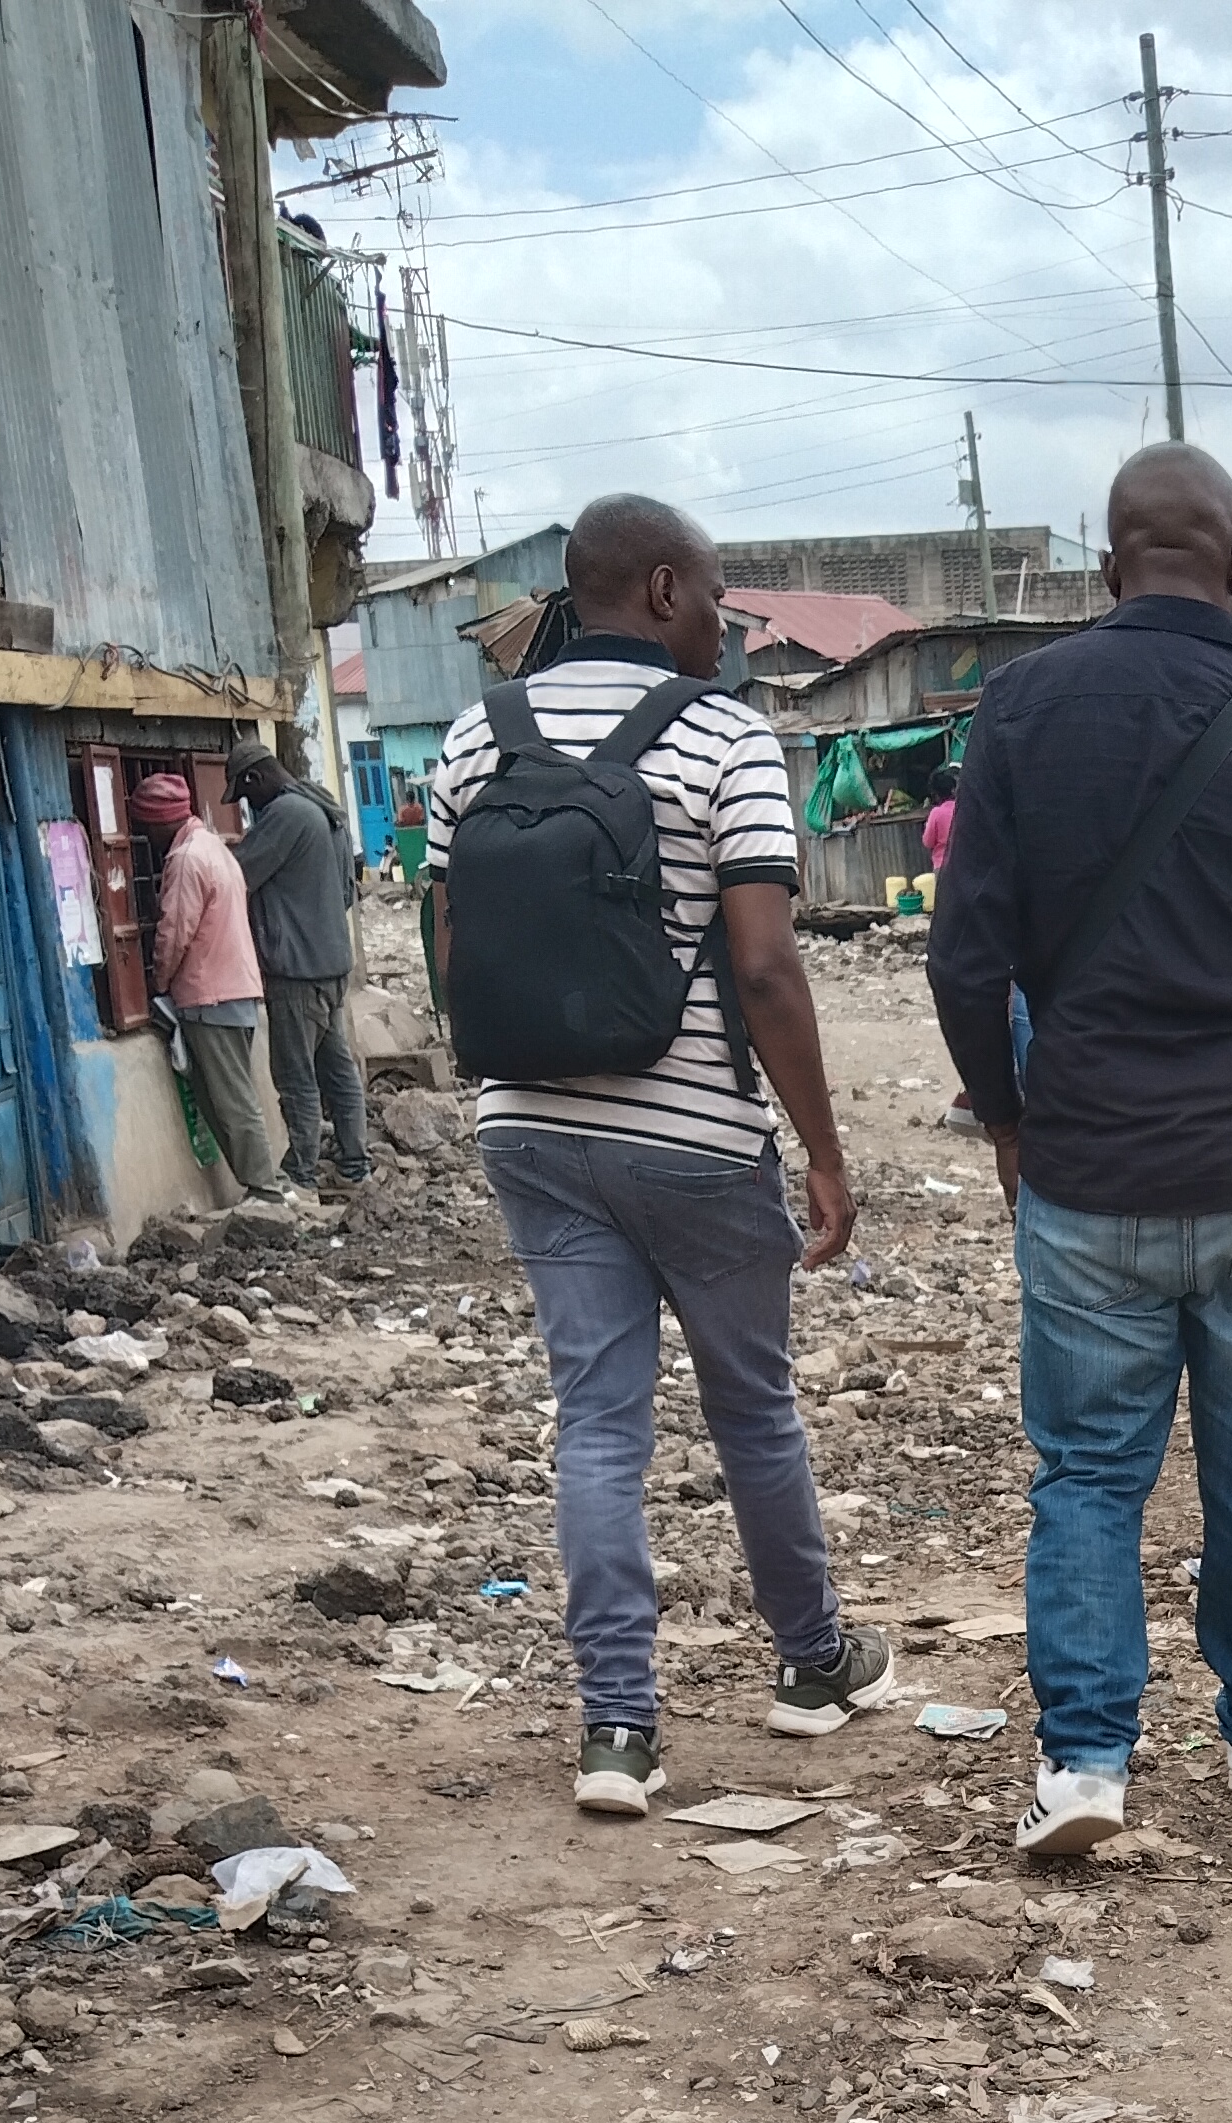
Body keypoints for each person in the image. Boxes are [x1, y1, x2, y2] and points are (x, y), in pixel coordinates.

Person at [928, 442, 1232, 1859]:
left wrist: (1007, 1119)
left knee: (1086, 1473)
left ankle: (1085, 1765)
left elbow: (965, 961)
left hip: (1086, 1170)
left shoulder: (1021, 709)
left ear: (1109, 559)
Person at [422, 489, 884, 1822]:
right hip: (690, 1135)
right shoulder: (727, 738)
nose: (727, 625)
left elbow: (454, 949)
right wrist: (823, 1151)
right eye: (722, 597)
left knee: (599, 1423)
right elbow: (766, 965)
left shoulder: (475, 734)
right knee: (751, 1409)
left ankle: (618, 1731)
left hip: (528, 1127)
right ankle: (810, 1665)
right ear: (668, 589)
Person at [133, 774, 283, 1200]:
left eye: (148, 827)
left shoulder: (185, 859)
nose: (148, 836)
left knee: (230, 1099)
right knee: (231, 1093)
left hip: (209, 992)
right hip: (235, 986)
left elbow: (174, 932)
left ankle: (264, 1188)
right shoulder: (215, 848)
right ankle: (260, 1183)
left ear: (161, 823)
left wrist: (158, 983)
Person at [228, 743, 370, 1191]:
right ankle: (354, 1164)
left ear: (254, 779)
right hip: (331, 965)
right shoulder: (324, 809)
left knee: (296, 1077)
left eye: (245, 796)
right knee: (338, 1071)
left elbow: (236, 876)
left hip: (297, 971)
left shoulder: (287, 814)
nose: (248, 807)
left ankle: (302, 1172)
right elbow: (348, 892)